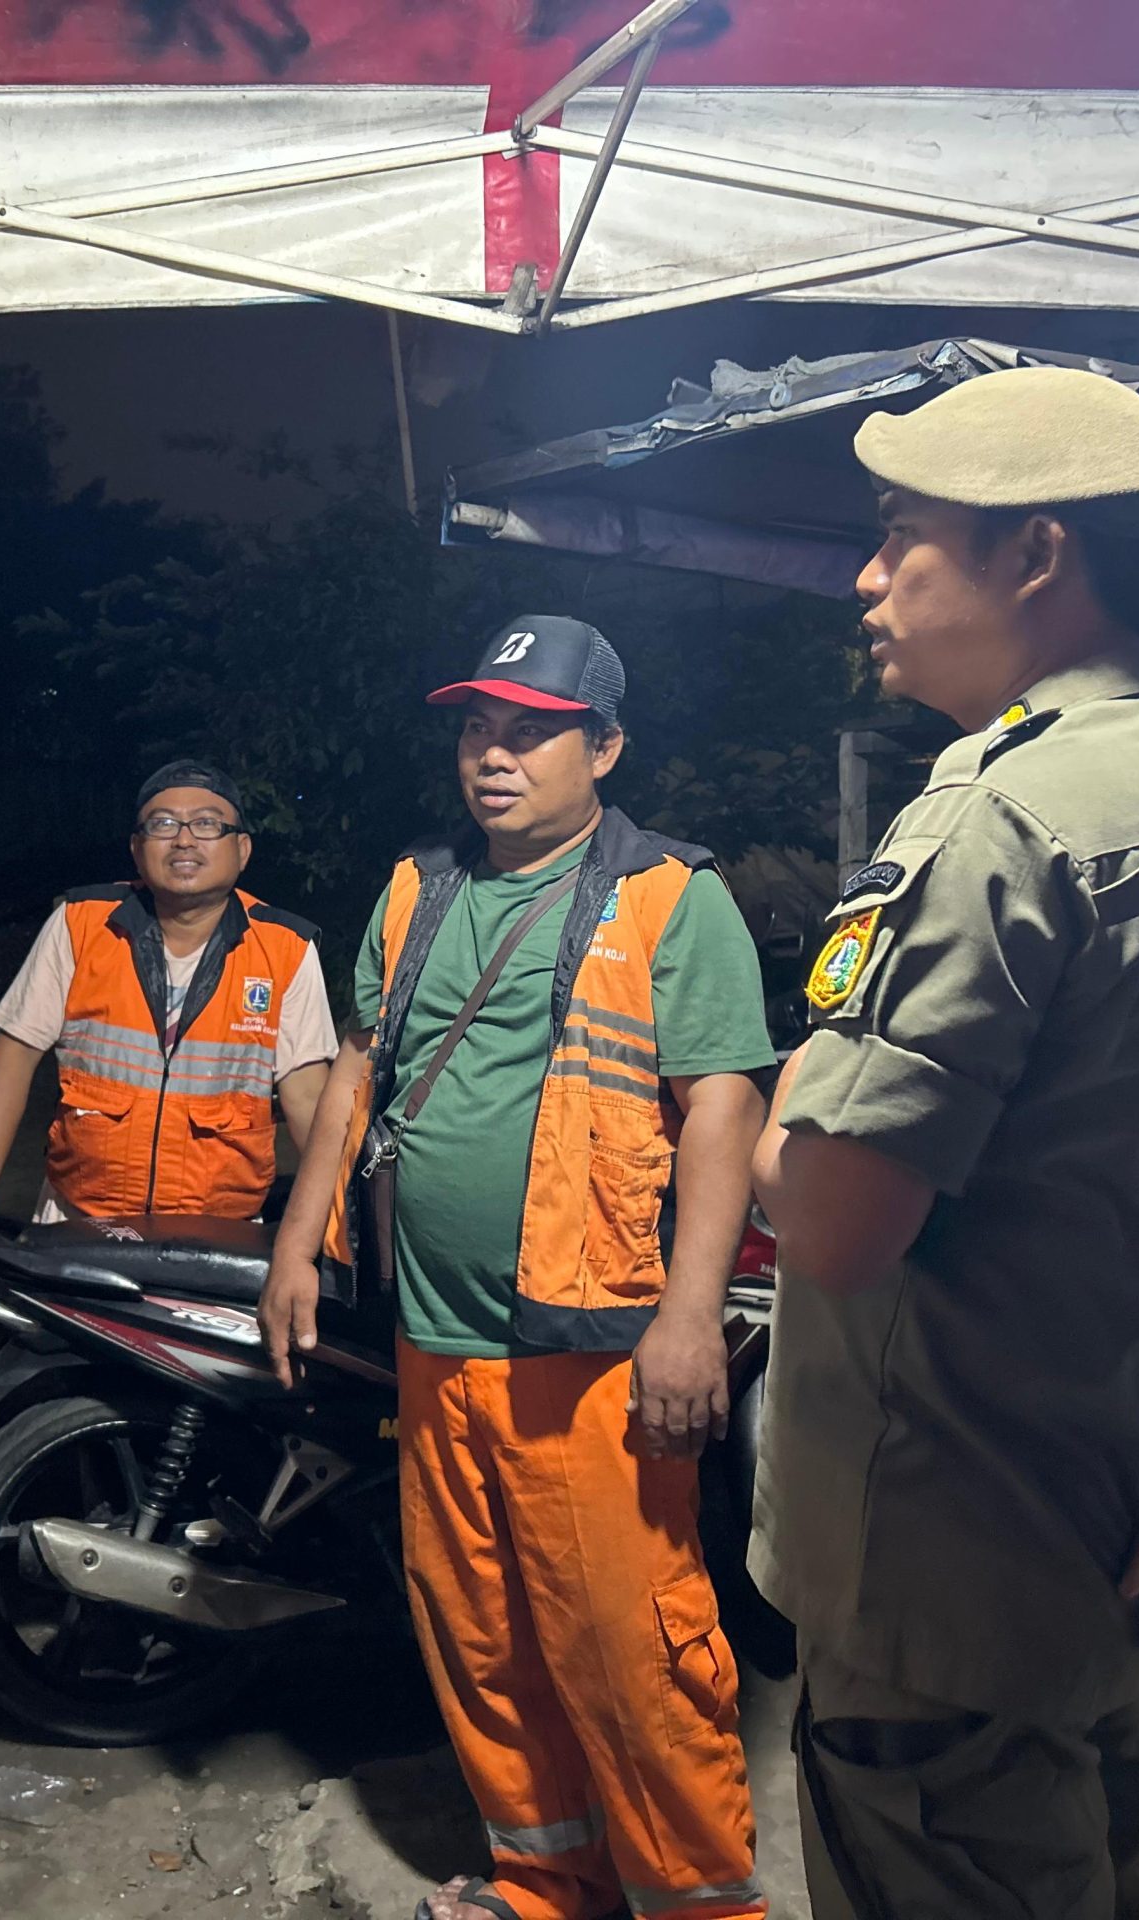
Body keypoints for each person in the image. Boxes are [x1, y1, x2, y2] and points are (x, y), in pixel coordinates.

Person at [748, 367, 1139, 1920]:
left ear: (1035, 553)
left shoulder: (997, 826)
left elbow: (830, 1227)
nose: (868, 579)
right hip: (1135, 1563)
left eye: (900, 534)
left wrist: (785, 1110)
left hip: (949, 1594)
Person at [260, 617, 774, 1920]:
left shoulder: (670, 897)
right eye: (478, 729)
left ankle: (701, 1907)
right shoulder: (415, 887)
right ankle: (546, 1882)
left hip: (589, 1349)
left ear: (604, 748)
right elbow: (359, 1073)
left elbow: (723, 1105)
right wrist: (298, 1246)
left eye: (531, 732)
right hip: (433, 1341)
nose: (493, 755)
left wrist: (690, 1320)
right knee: (480, 1633)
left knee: (632, 1653)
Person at [0, 760, 333, 1246]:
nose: (184, 840)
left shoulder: (285, 948)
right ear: (136, 849)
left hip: (221, 1234)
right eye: (163, 824)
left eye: (206, 824)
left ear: (241, 850)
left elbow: (307, 1097)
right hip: (77, 1219)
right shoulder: (81, 924)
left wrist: (336, 1217)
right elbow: (16, 1053)